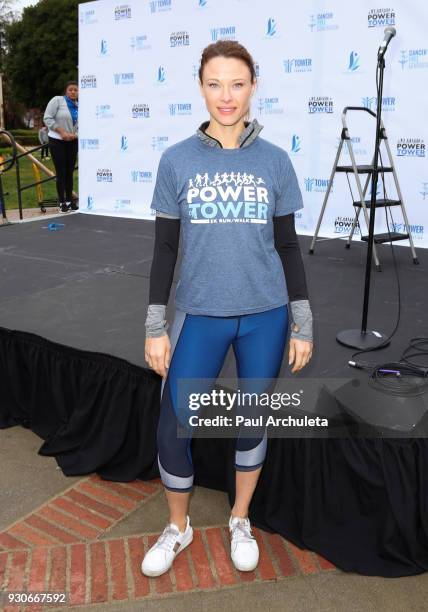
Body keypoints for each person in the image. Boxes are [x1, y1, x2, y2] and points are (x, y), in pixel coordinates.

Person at [141, 40, 313, 578]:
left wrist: (302, 321)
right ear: (200, 86)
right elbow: (165, 249)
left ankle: (240, 517)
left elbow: (288, 246)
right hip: (199, 315)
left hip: (266, 315)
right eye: (215, 83)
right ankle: (179, 527)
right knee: (175, 427)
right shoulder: (177, 160)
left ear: (254, 85)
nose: (226, 95)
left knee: (252, 418)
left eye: (237, 84)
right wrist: (155, 324)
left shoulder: (276, 161)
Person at [43, 81, 79, 213]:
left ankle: (70, 201)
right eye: (70, 90)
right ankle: (62, 202)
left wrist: (75, 136)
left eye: (76, 90)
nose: (73, 92)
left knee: (70, 172)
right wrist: (62, 132)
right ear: (66, 91)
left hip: (72, 141)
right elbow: (47, 118)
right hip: (57, 140)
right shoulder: (57, 101)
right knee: (61, 172)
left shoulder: (80, 106)